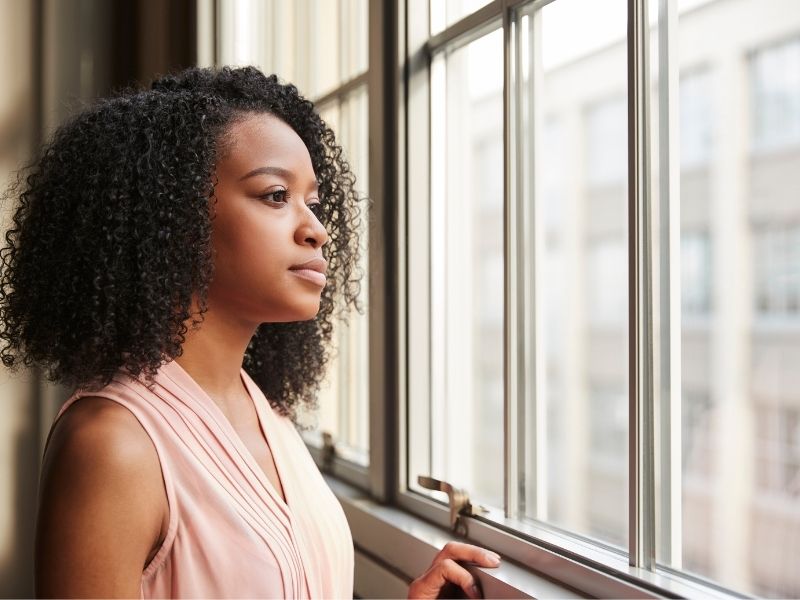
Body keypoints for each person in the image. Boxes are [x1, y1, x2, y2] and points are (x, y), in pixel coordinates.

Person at [0, 66, 500, 598]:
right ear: (174, 217)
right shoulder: (111, 444)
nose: (317, 229)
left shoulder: (265, 412)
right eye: (276, 194)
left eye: (314, 201)